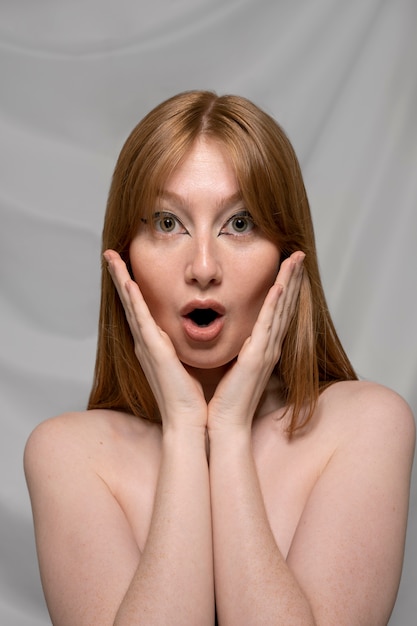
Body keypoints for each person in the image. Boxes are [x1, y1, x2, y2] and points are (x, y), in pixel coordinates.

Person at [24, 90, 415, 626]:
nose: (203, 267)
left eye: (240, 223)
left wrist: (228, 431)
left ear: (288, 254)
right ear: (123, 258)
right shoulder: (68, 454)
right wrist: (185, 428)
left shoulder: (368, 424)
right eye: (167, 223)